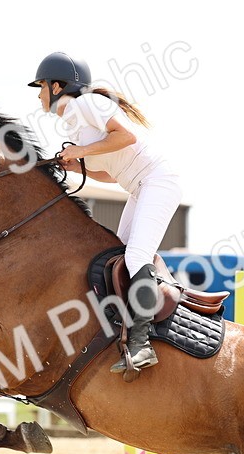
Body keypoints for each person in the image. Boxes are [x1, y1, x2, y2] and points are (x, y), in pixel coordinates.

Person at [29, 51, 183, 376]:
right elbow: (112, 174)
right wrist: (76, 165)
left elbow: (127, 136)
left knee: (136, 256)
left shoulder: (87, 104)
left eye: (41, 86)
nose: (39, 94)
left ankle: (142, 344)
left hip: (158, 180)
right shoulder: (75, 123)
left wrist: (82, 152)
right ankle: (125, 330)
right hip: (139, 187)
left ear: (58, 86)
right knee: (118, 256)